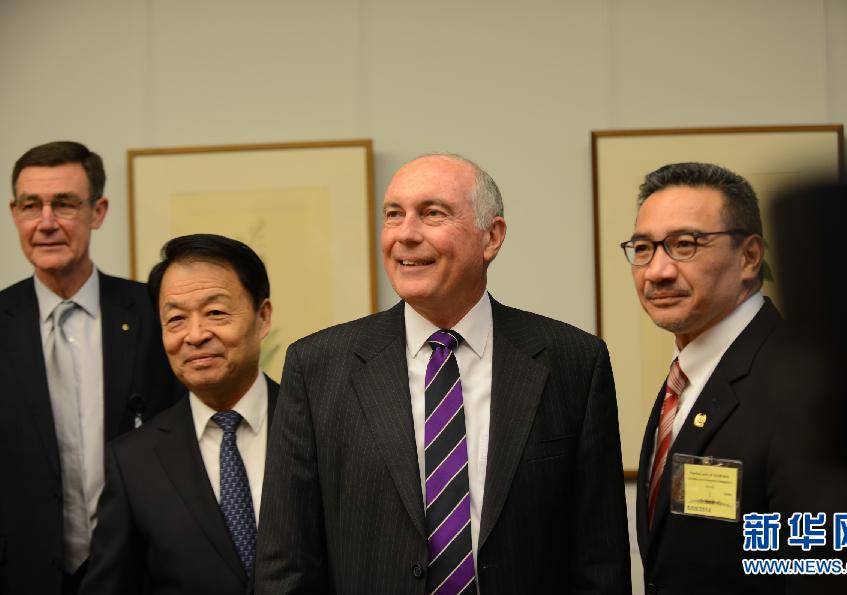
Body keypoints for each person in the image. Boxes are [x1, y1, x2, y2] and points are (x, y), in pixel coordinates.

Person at [255, 153, 631, 594]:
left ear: (492, 236)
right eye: (393, 215)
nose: (406, 234)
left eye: (432, 213)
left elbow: (600, 560)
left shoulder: (573, 362)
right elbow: (286, 561)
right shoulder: (318, 367)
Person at [0, 141, 182, 595]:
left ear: (97, 212)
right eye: (31, 206)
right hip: (21, 572)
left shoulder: (153, 313)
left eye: (64, 204)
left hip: (141, 571)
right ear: (14, 213)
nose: (46, 222)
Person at [78, 234, 278, 594]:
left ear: (262, 317)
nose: (195, 335)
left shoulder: (317, 424)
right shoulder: (133, 461)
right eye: (176, 319)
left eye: (215, 313)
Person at [624, 162, 785, 593]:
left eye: (684, 245)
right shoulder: (687, 376)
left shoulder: (798, 381)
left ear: (749, 257)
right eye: (643, 248)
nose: (656, 271)